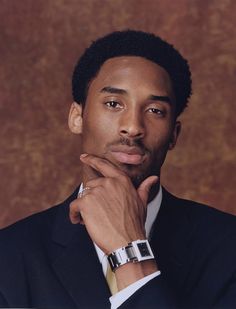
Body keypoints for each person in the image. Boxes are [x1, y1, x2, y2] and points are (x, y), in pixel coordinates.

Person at [0, 30, 235, 309]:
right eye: (113, 104)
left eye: (155, 110)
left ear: (174, 134)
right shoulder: (10, 255)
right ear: (77, 117)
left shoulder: (228, 247)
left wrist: (130, 251)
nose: (133, 127)